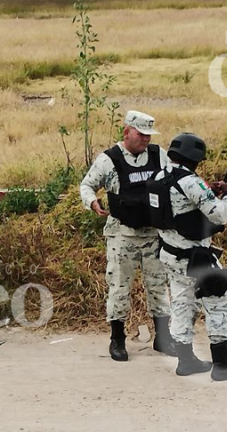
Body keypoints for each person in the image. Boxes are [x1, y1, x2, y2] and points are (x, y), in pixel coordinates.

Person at [148, 132, 227, 381]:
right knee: (218, 303)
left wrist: (209, 191)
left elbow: (182, 211)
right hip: (196, 257)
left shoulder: (159, 177)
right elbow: (219, 215)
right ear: (195, 159)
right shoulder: (190, 182)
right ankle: (222, 364)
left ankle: (186, 361)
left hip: (170, 254)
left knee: (182, 304)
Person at [79, 110, 175, 362]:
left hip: (153, 232)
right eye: (141, 134)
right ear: (127, 132)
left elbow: (174, 181)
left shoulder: (158, 156)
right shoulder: (109, 160)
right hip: (122, 233)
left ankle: (163, 338)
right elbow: (87, 185)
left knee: (158, 285)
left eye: (148, 135)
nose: (145, 140)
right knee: (119, 286)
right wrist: (92, 203)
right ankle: (117, 340)